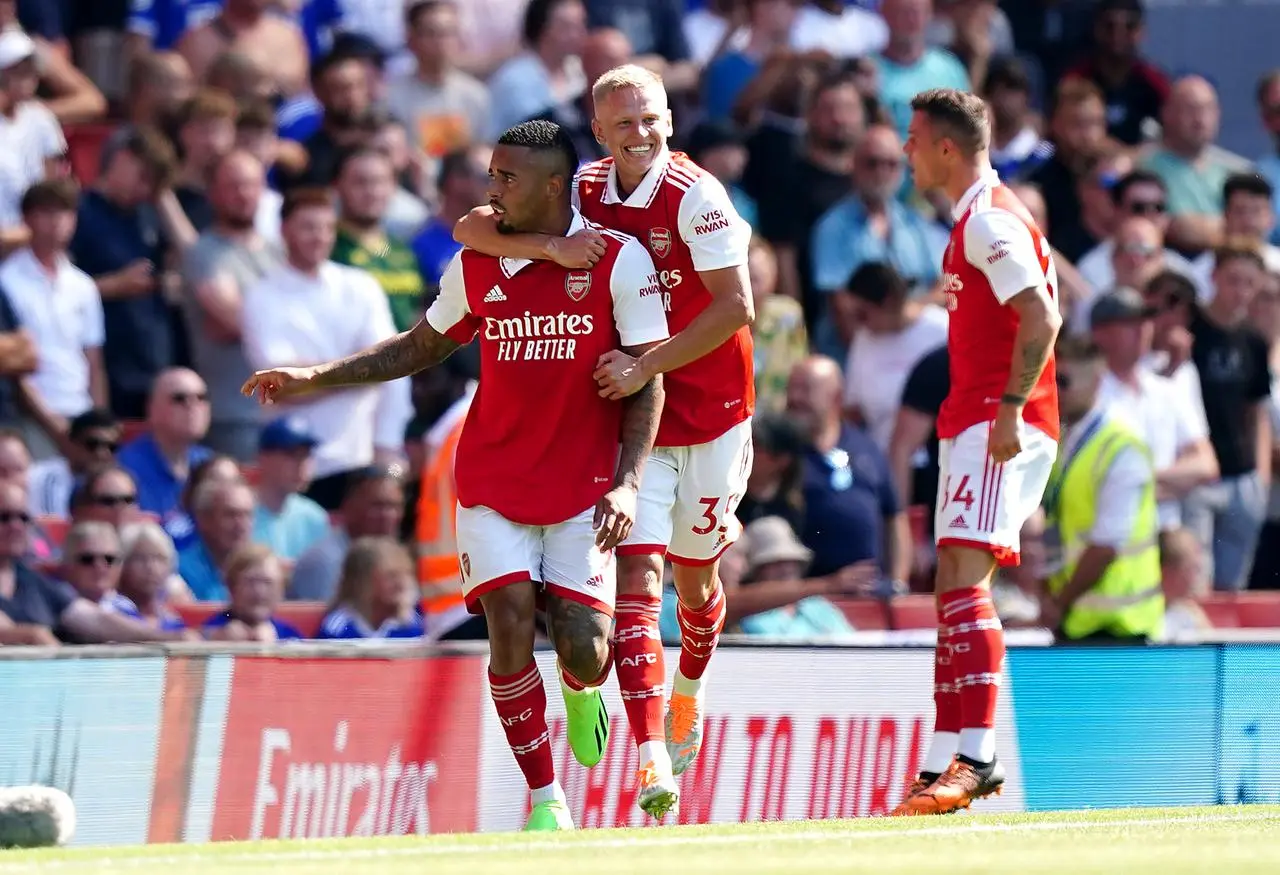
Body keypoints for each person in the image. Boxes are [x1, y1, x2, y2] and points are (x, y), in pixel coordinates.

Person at [242, 119, 670, 830]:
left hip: (582, 485)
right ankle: (544, 801)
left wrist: (628, 481)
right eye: (491, 174)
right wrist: (315, 376)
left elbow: (648, 378)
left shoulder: (617, 262)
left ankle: (581, 684)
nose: (491, 189)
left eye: (507, 177)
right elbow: (420, 346)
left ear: (554, 185)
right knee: (505, 624)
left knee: (587, 651)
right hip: (493, 478)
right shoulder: (477, 261)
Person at [453, 64, 754, 815]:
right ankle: (653, 758)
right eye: (624, 123)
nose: (641, 133)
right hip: (634, 419)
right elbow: (472, 226)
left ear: (670, 120)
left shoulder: (698, 197)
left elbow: (737, 307)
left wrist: (644, 361)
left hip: (714, 412)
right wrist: (554, 253)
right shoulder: (581, 187)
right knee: (638, 587)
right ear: (600, 131)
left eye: (650, 118)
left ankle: (690, 683)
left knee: (695, 583)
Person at [896, 87, 1062, 815]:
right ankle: (941, 762)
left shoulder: (991, 221)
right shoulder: (977, 216)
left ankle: (978, 756)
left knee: (966, 586)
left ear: (945, 148)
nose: (906, 151)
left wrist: (1009, 408)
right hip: (972, 420)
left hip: (995, 422)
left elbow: (1043, 316)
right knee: (951, 589)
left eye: (913, 138)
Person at [1043, 335, 1164, 642]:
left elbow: (1106, 546)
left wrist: (1058, 602)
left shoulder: (1122, 447)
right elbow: (1055, 522)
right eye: (1048, 380)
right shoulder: (1063, 442)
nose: (1055, 391)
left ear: (1095, 381)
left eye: (1063, 381)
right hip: (1078, 622)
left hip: (1122, 628)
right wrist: (1047, 590)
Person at [318, 536, 425, 640]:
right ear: (362, 582)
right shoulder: (338, 628)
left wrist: (405, 617)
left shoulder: (413, 620)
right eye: (391, 576)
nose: (401, 584)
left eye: (406, 574)